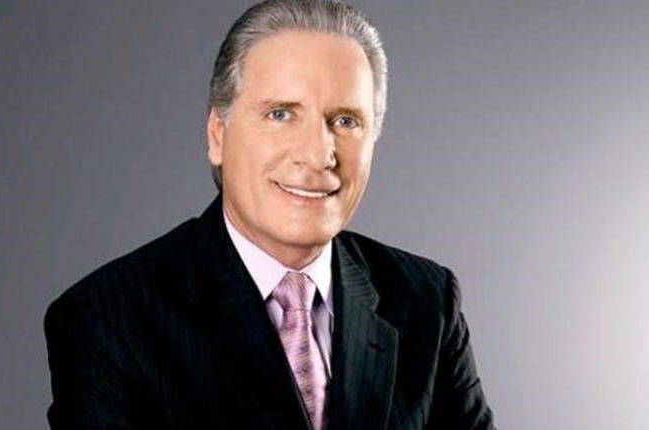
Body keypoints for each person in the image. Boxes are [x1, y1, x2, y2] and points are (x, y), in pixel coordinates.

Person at [44, 0, 495, 428]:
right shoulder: (111, 319)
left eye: (345, 121)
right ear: (217, 135)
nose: (318, 154)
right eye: (281, 114)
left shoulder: (426, 301)